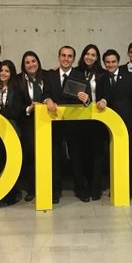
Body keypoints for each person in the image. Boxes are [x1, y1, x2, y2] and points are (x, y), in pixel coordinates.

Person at [42, 46, 90, 204]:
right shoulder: (50, 75)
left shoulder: (80, 75)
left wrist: (86, 99)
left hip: (74, 123)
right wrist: (47, 100)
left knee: (77, 157)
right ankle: (55, 191)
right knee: (55, 157)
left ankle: (80, 189)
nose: (66, 58)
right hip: (54, 123)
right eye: (63, 55)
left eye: (70, 56)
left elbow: (88, 100)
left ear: (74, 59)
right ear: (58, 57)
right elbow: (45, 93)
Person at [99, 49, 132, 197]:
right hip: (108, 124)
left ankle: (128, 186)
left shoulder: (130, 77)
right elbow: (101, 97)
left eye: (113, 62)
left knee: (127, 154)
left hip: (128, 122)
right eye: (107, 62)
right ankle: (114, 185)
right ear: (104, 63)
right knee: (110, 155)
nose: (110, 65)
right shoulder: (101, 79)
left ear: (118, 62)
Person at [71, 44, 107, 202]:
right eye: (87, 54)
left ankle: (95, 188)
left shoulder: (103, 74)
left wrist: (105, 99)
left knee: (97, 155)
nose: (89, 57)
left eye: (93, 55)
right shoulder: (75, 72)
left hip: (98, 119)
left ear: (97, 58)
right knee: (80, 155)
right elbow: (69, 92)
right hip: (78, 119)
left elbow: (108, 94)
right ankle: (81, 189)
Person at [0, 60, 25, 205]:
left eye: (7, 71)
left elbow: (15, 112)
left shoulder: (17, 90)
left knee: (11, 163)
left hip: (13, 131)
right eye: (1, 71)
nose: (3, 73)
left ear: (12, 74)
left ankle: (12, 193)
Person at [16, 51, 45, 202]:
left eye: (33, 61)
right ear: (23, 66)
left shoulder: (47, 77)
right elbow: (16, 104)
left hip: (47, 122)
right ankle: (32, 189)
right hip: (27, 123)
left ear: (38, 62)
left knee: (47, 155)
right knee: (30, 156)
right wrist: (29, 108)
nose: (31, 64)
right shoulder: (18, 80)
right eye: (27, 62)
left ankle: (49, 188)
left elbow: (52, 94)